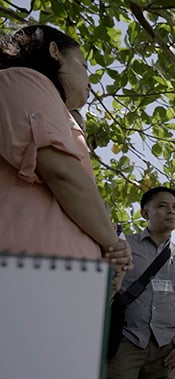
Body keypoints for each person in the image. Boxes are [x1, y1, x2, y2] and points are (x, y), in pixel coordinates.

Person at [0, 24, 131, 285]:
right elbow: (62, 173)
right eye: (84, 66)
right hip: (27, 278)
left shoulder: (59, 111)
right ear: (54, 51)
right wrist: (114, 244)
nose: (89, 82)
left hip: (56, 284)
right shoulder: (22, 80)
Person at [103, 186, 175, 379]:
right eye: (163, 206)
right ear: (145, 213)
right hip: (125, 343)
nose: (171, 211)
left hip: (167, 350)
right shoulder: (124, 244)